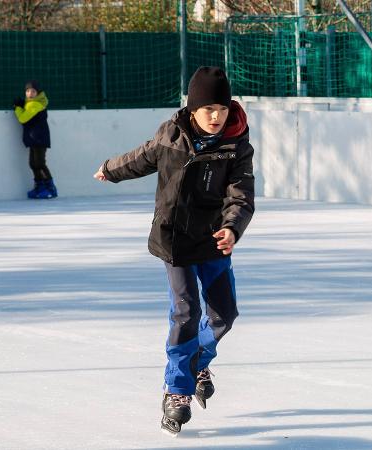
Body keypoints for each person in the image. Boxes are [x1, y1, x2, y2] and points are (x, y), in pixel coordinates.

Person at [93, 66, 255, 434]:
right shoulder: (171, 136)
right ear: (193, 108)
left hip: (214, 241)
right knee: (185, 312)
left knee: (224, 315)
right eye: (208, 109)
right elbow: (141, 157)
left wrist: (232, 227)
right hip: (175, 240)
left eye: (223, 108)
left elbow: (241, 194)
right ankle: (177, 389)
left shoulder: (237, 147)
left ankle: (199, 360)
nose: (217, 117)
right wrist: (110, 169)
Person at [13, 80, 56, 199]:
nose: (30, 93)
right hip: (34, 138)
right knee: (33, 164)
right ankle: (40, 187)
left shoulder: (36, 104)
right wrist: (22, 106)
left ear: (38, 93)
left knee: (39, 163)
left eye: (33, 91)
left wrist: (17, 107)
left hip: (39, 139)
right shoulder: (29, 104)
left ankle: (50, 188)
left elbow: (23, 118)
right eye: (27, 91)